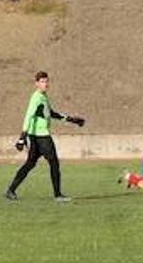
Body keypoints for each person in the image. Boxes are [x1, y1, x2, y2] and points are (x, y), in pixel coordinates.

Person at [5, 70, 85, 203]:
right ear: (36, 83)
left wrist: (71, 119)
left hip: (37, 136)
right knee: (54, 163)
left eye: (47, 81)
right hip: (41, 137)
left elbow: (51, 113)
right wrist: (22, 137)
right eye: (42, 81)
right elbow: (29, 116)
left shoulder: (43, 97)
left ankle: (10, 190)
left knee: (30, 164)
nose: (45, 84)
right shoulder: (36, 98)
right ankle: (58, 195)